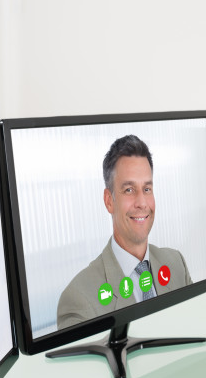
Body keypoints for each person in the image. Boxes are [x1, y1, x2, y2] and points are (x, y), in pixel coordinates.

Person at [56, 135, 191, 329]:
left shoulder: (176, 264)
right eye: (129, 190)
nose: (142, 202)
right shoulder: (79, 299)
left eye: (147, 189)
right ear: (109, 201)